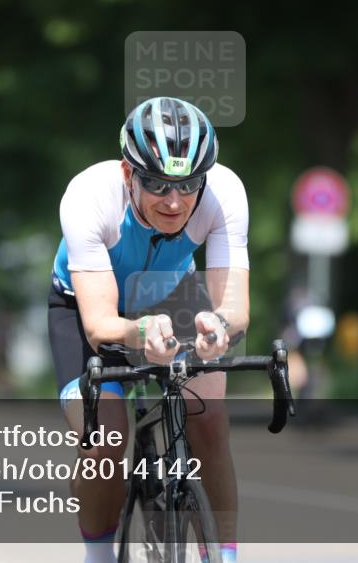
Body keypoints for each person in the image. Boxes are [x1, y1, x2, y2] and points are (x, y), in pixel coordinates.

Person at [47, 97, 249, 563]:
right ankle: (97, 556)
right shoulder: (89, 197)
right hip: (87, 305)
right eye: (157, 184)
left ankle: (226, 555)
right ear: (127, 173)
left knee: (211, 418)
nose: (175, 201)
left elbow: (234, 306)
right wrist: (141, 334)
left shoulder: (225, 194)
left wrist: (217, 326)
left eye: (188, 184)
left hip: (171, 296)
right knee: (107, 437)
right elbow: (100, 326)